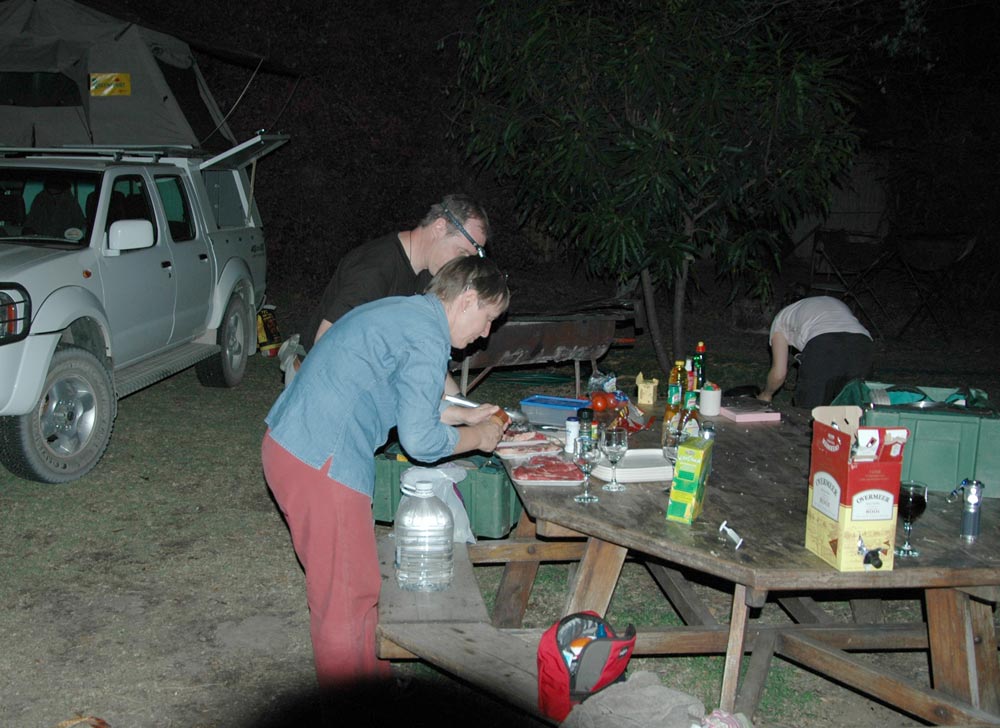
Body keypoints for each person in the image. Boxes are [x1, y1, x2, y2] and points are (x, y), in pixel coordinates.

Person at [261, 255, 510, 687]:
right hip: (322, 460)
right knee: (342, 599)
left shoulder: (408, 313)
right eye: (487, 319)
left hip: (295, 446)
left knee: (358, 583)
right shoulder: (427, 335)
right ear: (467, 298)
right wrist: (480, 438)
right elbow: (420, 440)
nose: (485, 334)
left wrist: (467, 417)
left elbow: (408, 397)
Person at [279, 194, 491, 388]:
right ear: (439, 228)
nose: (460, 266)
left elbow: (426, 354)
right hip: (315, 380)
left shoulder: (430, 277)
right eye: (461, 253)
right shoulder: (376, 268)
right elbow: (326, 343)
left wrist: (463, 406)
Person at [758, 295, 874, 409]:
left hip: (823, 346)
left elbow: (779, 373)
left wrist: (766, 394)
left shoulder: (781, 319)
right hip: (863, 345)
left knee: (808, 416)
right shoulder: (832, 301)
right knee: (852, 414)